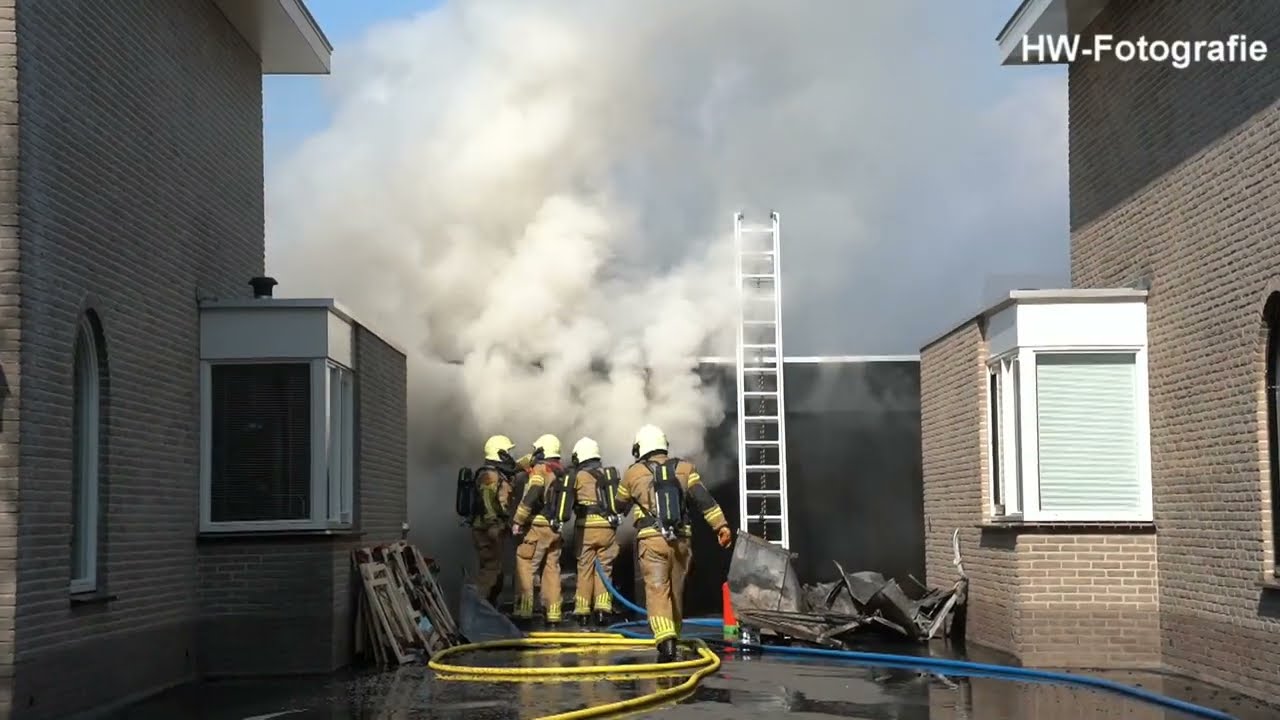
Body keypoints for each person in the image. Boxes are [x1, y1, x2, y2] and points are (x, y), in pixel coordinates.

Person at [616, 424, 734, 662]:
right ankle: (675, 634)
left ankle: (666, 640)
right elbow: (704, 499)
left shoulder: (633, 473)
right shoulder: (685, 468)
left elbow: (619, 506)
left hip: (652, 540)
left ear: (641, 447)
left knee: (657, 588)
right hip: (682, 541)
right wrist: (721, 526)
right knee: (676, 590)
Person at [510, 433, 574, 627]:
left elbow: (533, 494)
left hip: (538, 526)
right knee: (551, 568)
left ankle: (524, 611)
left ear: (541, 450)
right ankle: (553, 613)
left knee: (526, 564)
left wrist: (517, 520)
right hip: (556, 528)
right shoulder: (561, 471)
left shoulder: (540, 469)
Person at [568, 436, 622, 627]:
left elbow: (568, 501)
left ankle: (582, 611)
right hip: (608, 529)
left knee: (585, 568)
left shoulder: (578, 477)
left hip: (586, 529)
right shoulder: (608, 475)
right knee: (605, 568)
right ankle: (602, 610)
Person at [470, 434, 519, 607]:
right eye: (508, 452)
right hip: (487, 530)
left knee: (496, 571)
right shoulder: (489, 476)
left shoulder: (497, 474)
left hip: (494, 528)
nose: (510, 456)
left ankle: (489, 606)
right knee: (490, 570)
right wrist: (493, 524)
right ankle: (476, 606)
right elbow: (487, 501)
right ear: (499, 454)